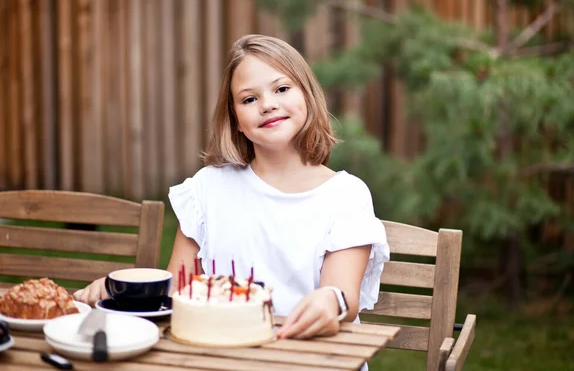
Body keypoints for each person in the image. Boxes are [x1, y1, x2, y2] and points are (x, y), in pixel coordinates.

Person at [74, 34, 389, 341]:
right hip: (225, 354)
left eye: (281, 88)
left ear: (306, 95)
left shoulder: (346, 195)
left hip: (314, 356)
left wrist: (331, 301)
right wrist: (121, 292)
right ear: (236, 119)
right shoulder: (208, 189)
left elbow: (341, 293)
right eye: (249, 99)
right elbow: (178, 291)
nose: (267, 105)